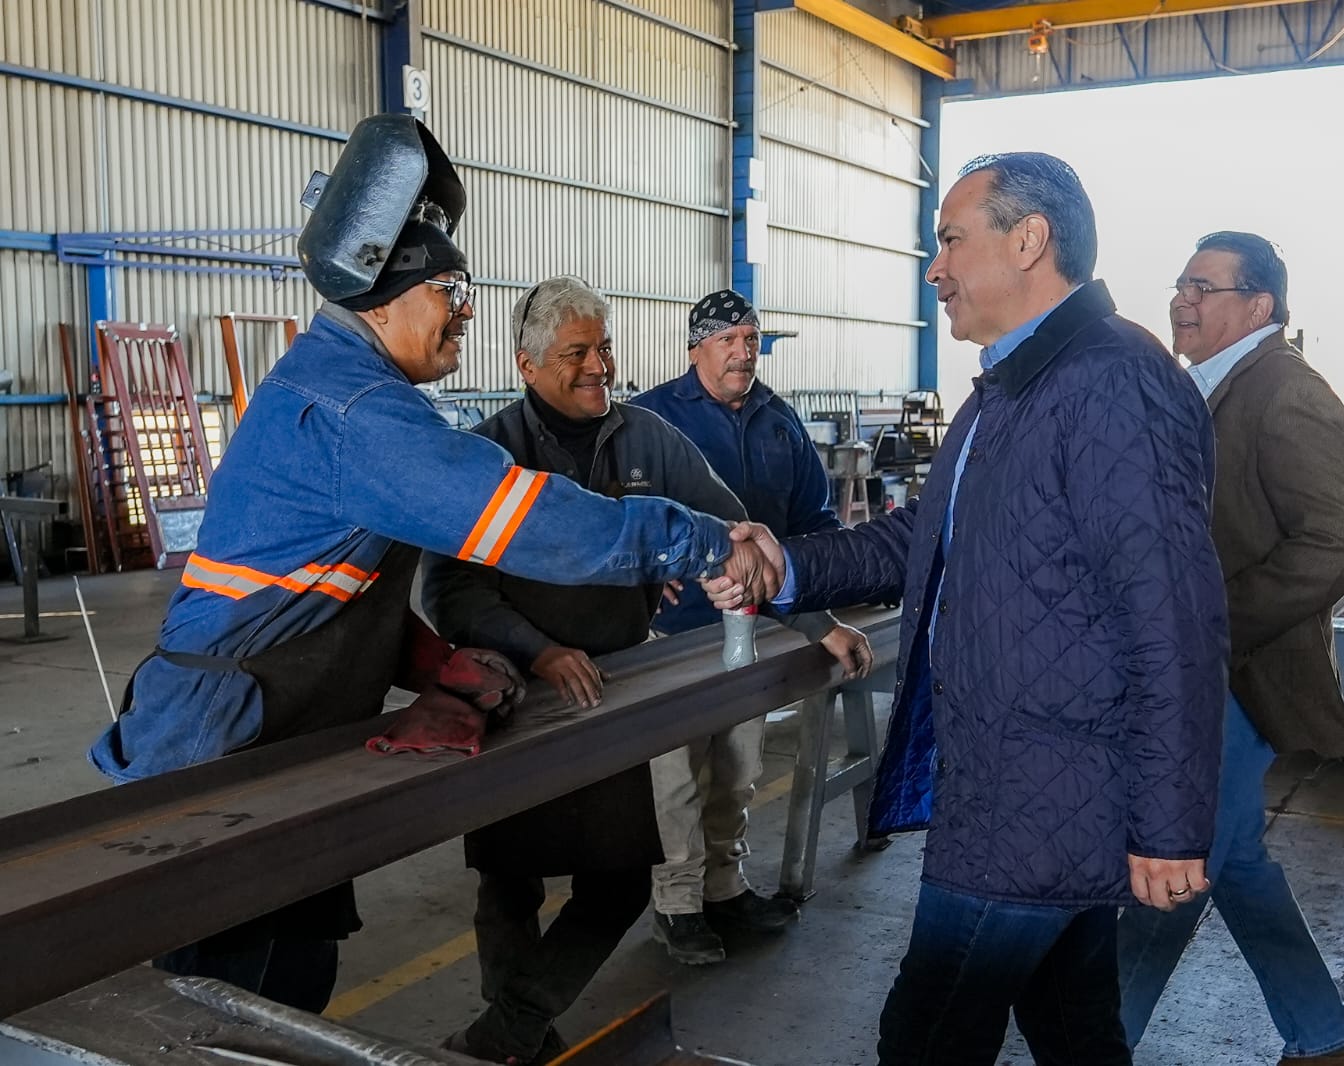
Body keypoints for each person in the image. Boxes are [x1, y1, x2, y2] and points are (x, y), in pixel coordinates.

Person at [84, 116, 762, 1013]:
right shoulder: (357, 413)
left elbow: (326, 596)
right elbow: (523, 520)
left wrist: (436, 662)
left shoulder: (344, 392)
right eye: (451, 289)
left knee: (288, 981)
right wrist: (705, 540)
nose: (465, 311)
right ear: (382, 300)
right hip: (222, 742)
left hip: (273, 725)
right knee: (240, 1007)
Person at [707, 152, 1229, 1066]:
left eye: (950, 240)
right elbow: (924, 536)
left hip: (1037, 799)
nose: (935, 269)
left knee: (928, 1035)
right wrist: (784, 565)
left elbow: (1173, 616)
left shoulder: (1111, 381)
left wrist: (1170, 824)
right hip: (1016, 786)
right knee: (1072, 1029)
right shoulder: (1014, 386)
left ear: (1029, 241)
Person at [418, 276, 869, 1061]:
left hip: (617, 696)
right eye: (577, 353)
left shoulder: (647, 440)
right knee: (510, 879)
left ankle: (509, 1027)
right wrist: (539, 649)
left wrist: (817, 623)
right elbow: (449, 589)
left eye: (605, 348)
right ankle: (516, 1033)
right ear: (527, 364)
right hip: (519, 697)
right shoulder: (489, 453)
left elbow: (737, 536)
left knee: (622, 877)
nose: (600, 367)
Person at [1117, 232, 1344, 1066]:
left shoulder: (1284, 392)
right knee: (1227, 860)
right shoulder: (1210, 387)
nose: (1181, 300)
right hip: (1207, 672)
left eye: (1204, 287)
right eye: (1180, 284)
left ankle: (1099, 1042)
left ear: (1259, 305)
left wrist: (1214, 622)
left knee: (1181, 861)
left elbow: (1343, 538)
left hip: (1239, 674)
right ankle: (1329, 1041)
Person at [630, 289, 874, 965]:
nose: (743, 352)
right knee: (677, 775)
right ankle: (678, 904)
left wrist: (825, 611)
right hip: (674, 632)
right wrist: (643, 574)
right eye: (728, 340)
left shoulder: (779, 421)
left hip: (754, 631)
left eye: (751, 339)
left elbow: (814, 524)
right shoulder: (651, 418)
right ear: (695, 348)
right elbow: (617, 513)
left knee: (738, 766)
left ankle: (725, 887)